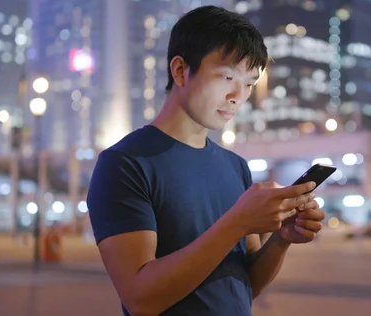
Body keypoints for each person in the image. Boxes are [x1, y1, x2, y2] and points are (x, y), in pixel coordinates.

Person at [87, 5, 325, 316]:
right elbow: (140, 298)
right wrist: (238, 221)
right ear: (180, 70)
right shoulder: (125, 163)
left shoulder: (235, 166)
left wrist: (281, 240)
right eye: (227, 76)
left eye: (250, 82)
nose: (238, 95)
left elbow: (246, 284)